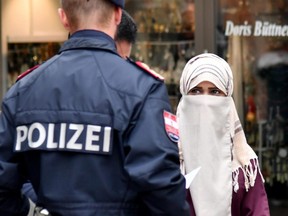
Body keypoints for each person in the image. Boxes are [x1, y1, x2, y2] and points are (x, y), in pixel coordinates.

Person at [0, 0, 190, 215]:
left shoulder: (23, 91)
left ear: (63, 17)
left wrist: (30, 211)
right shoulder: (142, 88)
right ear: (118, 15)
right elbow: (161, 189)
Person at [176, 53, 270, 216]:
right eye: (196, 91)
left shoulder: (244, 165)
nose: (205, 100)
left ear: (227, 99)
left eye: (214, 92)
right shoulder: (168, 159)